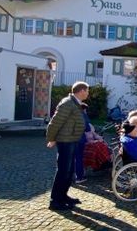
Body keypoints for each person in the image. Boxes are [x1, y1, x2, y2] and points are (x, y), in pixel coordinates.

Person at [46, 81, 89, 211]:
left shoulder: (75, 103)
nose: (88, 93)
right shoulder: (68, 103)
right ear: (81, 91)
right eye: (87, 91)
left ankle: (63, 196)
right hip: (65, 141)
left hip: (72, 140)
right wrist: (51, 138)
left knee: (69, 171)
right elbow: (55, 122)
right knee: (63, 171)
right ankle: (55, 201)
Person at [74, 103, 92, 184]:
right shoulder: (83, 115)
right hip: (79, 139)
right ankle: (79, 177)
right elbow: (88, 129)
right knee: (78, 158)